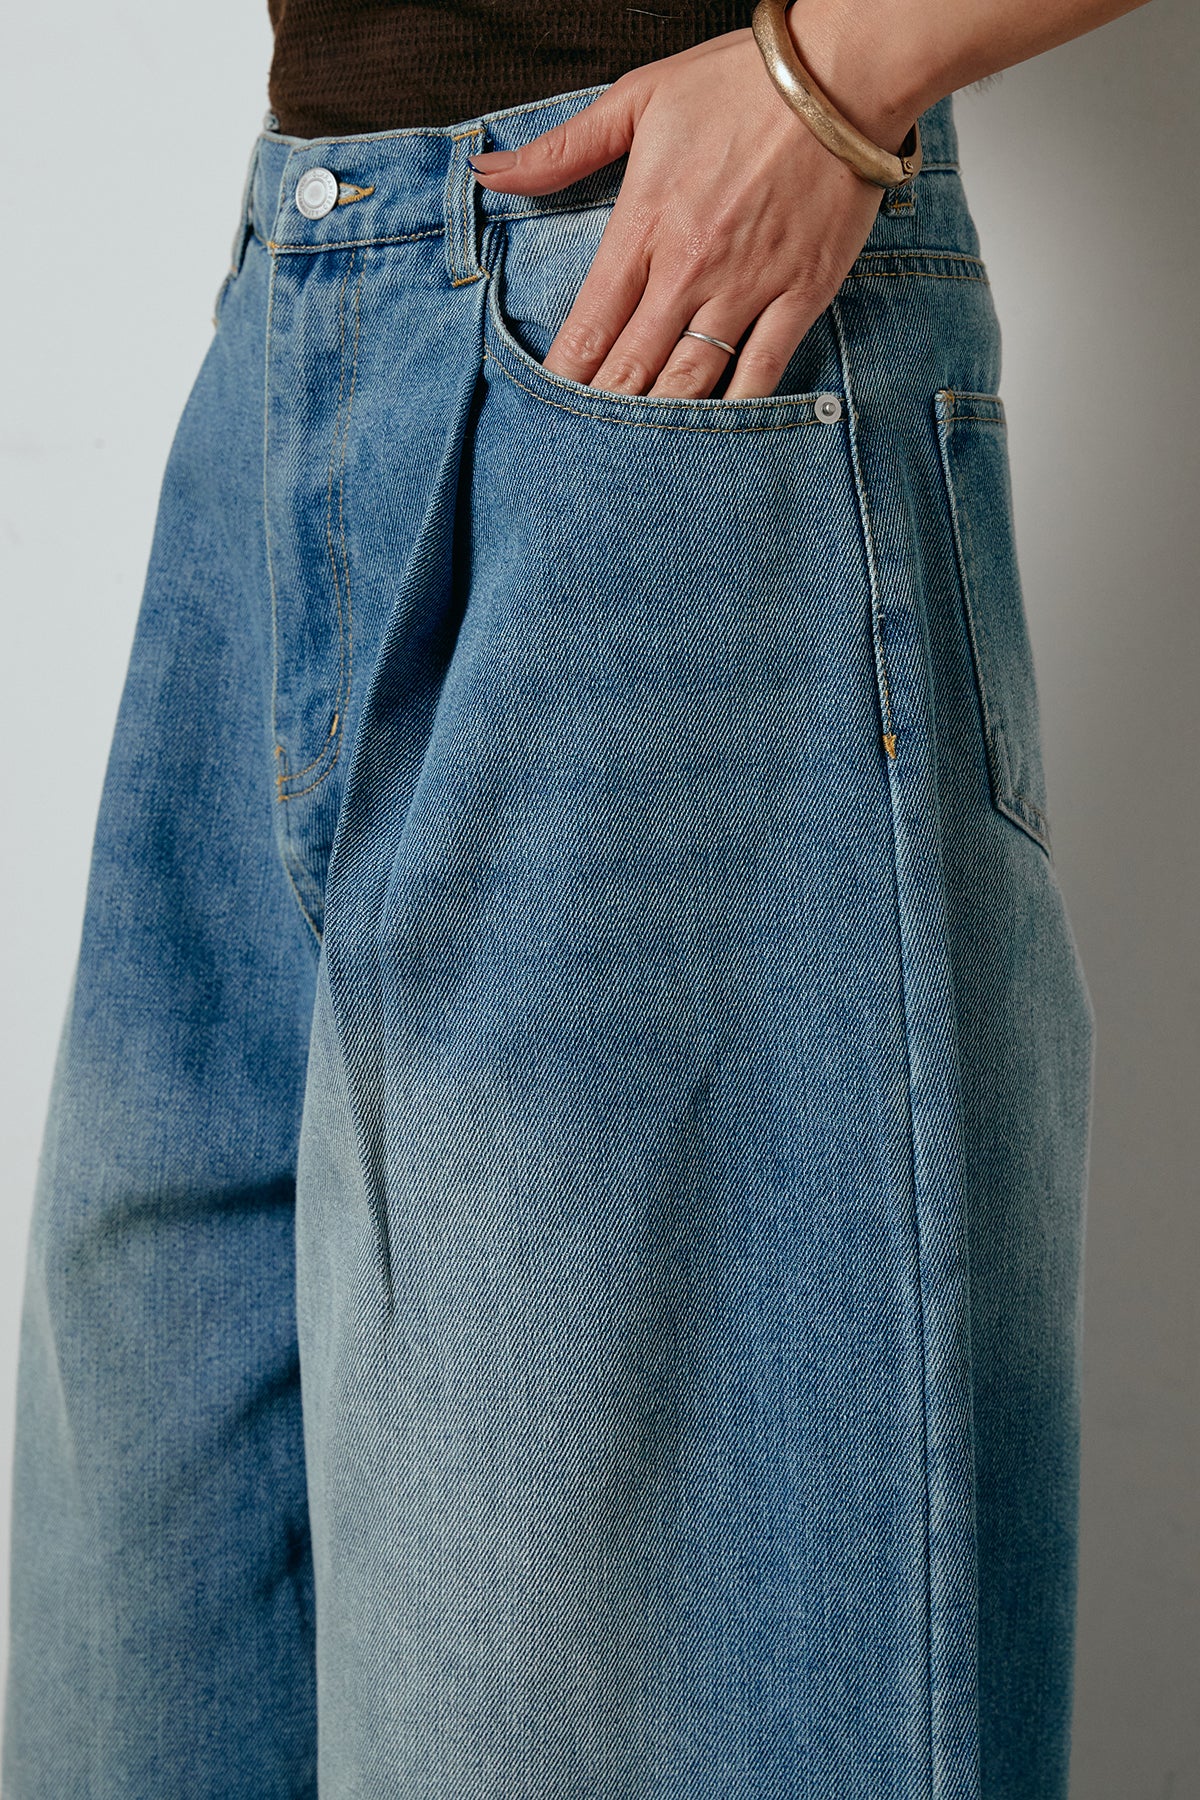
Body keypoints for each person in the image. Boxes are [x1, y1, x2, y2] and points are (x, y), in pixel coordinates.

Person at [1, 1, 1146, 1795]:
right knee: (156, 1639)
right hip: (306, 311)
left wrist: (834, 75)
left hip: (682, 367)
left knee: (607, 1698)